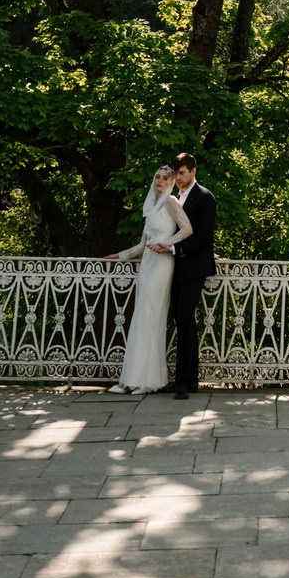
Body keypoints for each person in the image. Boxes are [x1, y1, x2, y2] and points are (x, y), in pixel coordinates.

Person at [106, 165, 192, 393]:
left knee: (151, 317)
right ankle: (132, 379)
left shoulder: (171, 202)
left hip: (163, 264)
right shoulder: (151, 207)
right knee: (140, 318)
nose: (160, 181)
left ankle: (147, 382)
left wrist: (168, 244)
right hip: (147, 264)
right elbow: (142, 245)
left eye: (165, 178)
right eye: (157, 177)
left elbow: (187, 229)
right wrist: (119, 256)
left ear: (171, 182)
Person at [169, 151, 216, 399]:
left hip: (195, 268)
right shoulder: (175, 197)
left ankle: (183, 383)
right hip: (175, 269)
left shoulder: (205, 197)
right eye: (176, 173)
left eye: (182, 173)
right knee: (181, 322)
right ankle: (190, 380)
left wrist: (175, 249)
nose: (178, 178)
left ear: (193, 171)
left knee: (186, 318)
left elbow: (204, 239)